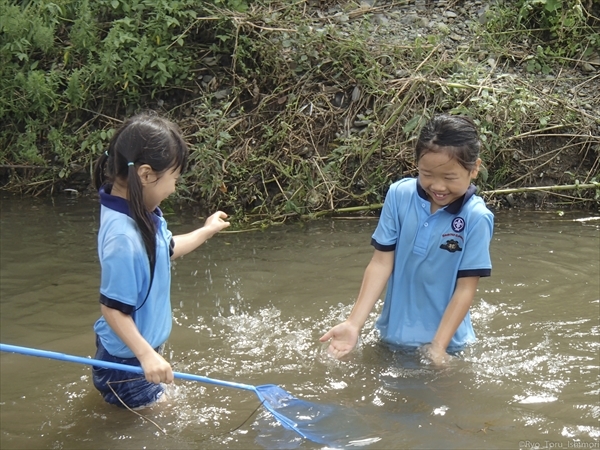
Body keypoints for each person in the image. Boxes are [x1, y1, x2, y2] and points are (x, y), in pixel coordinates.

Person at [319, 114, 494, 365]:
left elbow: (465, 289)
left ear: (474, 169)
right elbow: (381, 263)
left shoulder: (476, 218)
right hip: (392, 337)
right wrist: (353, 323)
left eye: (450, 177)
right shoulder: (399, 195)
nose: (438, 186)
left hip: (449, 347)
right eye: (427, 174)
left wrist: (437, 347)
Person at [91, 112, 230, 408]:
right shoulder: (123, 239)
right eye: (174, 179)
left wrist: (205, 232)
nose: (174, 188)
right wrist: (146, 355)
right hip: (126, 364)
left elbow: (165, 249)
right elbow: (113, 309)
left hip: (134, 354)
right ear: (145, 174)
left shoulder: (141, 214)